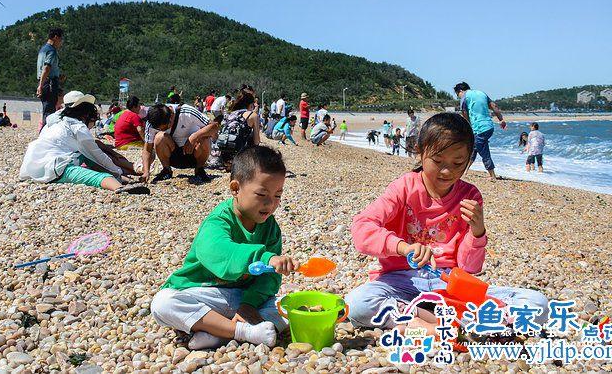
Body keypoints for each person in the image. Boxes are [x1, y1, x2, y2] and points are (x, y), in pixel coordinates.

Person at [345, 113, 548, 331]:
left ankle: (424, 321)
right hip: (400, 282)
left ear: (469, 159)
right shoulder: (403, 188)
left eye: (457, 163)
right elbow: (362, 227)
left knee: (537, 304)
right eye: (437, 161)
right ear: (420, 151)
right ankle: (445, 323)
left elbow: (469, 268)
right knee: (356, 304)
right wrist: (404, 248)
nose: (446, 171)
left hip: (450, 283)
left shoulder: (469, 196)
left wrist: (477, 232)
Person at [150, 146, 298, 349]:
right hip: (206, 294)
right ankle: (242, 332)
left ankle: (218, 335)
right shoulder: (219, 220)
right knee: (163, 303)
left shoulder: (271, 228)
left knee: (290, 306)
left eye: (278, 195)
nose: (271, 204)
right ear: (235, 188)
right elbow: (218, 251)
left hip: (243, 297)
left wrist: (248, 304)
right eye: (262, 194)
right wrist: (264, 257)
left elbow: (269, 278)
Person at [19, 101, 149, 194]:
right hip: (53, 168)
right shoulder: (79, 127)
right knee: (96, 176)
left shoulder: (55, 122)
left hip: (32, 164)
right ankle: (118, 187)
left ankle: (122, 178)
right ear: (86, 117)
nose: (92, 126)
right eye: (93, 122)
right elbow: (98, 156)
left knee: (84, 156)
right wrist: (117, 171)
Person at [142, 103, 219, 183]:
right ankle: (166, 170)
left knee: (204, 137)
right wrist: (146, 172)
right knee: (159, 137)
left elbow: (215, 126)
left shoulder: (187, 112)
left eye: (164, 127)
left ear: (171, 117)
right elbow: (147, 149)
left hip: (195, 153)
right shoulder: (152, 122)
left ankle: (199, 170)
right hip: (173, 156)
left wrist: (194, 136)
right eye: (158, 128)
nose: (161, 129)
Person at [454, 82, 506, 182]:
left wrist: (468, 126)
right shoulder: (482, 93)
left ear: (460, 91)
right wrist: (501, 120)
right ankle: (465, 171)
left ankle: (492, 175)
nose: (458, 97)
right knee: (474, 148)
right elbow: (494, 106)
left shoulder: (464, 97)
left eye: (457, 95)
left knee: (483, 150)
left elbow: (464, 113)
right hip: (489, 126)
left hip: (479, 128)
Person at [217, 89, 261, 168]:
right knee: (251, 135)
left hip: (223, 154)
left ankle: (228, 162)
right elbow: (256, 141)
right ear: (251, 104)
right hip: (239, 157)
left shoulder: (231, 114)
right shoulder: (252, 115)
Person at [36, 28, 65, 128]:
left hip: (46, 82)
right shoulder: (52, 51)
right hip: (49, 84)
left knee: (47, 109)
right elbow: (46, 68)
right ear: (56, 37)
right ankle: (46, 133)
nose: (61, 42)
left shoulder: (43, 49)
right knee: (49, 112)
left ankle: (45, 132)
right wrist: (40, 86)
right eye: (61, 39)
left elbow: (44, 69)